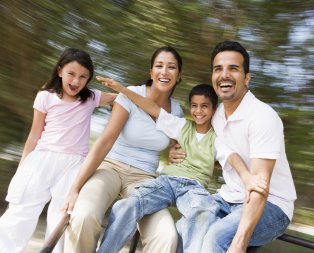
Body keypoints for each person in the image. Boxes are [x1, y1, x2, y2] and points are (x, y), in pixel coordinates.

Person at [93, 79, 268, 253]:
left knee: (203, 213)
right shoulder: (182, 126)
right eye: (194, 105)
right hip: (167, 182)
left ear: (214, 109)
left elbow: (232, 156)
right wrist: (123, 89)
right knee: (127, 205)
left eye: (204, 106)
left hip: (193, 187)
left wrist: (247, 177)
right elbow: (152, 108)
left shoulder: (218, 138)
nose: (198, 111)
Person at [170, 41, 297, 253]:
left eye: (233, 69)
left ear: (247, 78)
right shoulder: (217, 115)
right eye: (218, 69)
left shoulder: (263, 117)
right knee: (185, 229)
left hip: (272, 206)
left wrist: (239, 242)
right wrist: (176, 151)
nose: (224, 75)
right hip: (228, 197)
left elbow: (259, 187)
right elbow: (207, 145)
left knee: (215, 238)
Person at [62, 46, 184, 253]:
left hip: (144, 178)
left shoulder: (178, 110)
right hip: (110, 167)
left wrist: (174, 152)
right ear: (151, 72)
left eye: (171, 67)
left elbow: (176, 144)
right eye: (159, 66)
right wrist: (75, 188)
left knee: (167, 236)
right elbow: (105, 141)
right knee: (84, 215)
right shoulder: (130, 94)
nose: (164, 71)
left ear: (178, 75)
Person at [0, 48, 116, 253]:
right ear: (60, 71)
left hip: (74, 164)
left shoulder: (91, 98)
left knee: (61, 217)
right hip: (42, 159)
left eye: (83, 77)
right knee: (21, 212)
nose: (76, 81)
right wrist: (22, 167)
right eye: (71, 74)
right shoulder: (45, 96)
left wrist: (121, 88)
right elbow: (34, 134)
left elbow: (119, 99)